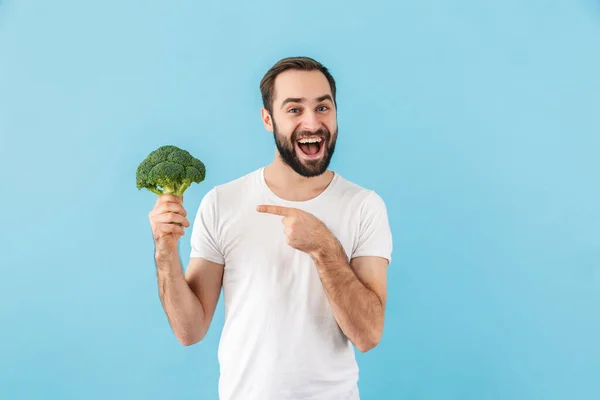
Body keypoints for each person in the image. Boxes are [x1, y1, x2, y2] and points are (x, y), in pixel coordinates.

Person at [148, 56, 393, 400]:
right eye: (294, 110)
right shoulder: (224, 203)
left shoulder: (364, 206)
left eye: (323, 107)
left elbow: (368, 334)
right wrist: (165, 251)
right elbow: (189, 330)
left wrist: (323, 247)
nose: (312, 122)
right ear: (268, 119)